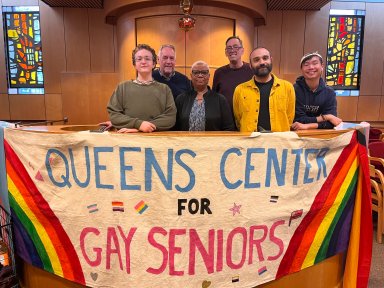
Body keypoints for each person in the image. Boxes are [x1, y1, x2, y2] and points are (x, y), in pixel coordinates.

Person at [107, 44, 176, 133]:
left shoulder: (165, 89)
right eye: (139, 59)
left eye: (147, 58)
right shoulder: (122, 88)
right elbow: (114, 115)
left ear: (154, 63)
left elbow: (170, 117)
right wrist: (139, 124)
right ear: (134, 64)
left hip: (157, 141)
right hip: (128, 141)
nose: (143, 62)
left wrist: (142, 127)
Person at [233, 47, 295, 132]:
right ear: (250, 65)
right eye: (256, 60)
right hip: (250, 142)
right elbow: (238, 119)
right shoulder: (240, 90)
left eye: (265, 58)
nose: (262, 62)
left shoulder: (287, 87)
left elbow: (289, 118)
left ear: (271, 60)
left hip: (279, 141)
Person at [175, 60, 235, 131]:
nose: (200, 75)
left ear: (209, 76)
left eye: (204, 72)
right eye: (196, 72)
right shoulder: (181, 99)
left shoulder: (220, 100)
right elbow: (175, 128)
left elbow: (229, 128)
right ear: (191, 76)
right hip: (186, 141)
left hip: (213, 141)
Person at [291, 52, 342, 130]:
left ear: (322, 66)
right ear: (301, 69)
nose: (311, 67)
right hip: (297, 134)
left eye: (315, 63)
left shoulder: (329, 93)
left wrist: (307, 126)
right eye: (306, 65)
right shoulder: (293, 90)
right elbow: (298, 120)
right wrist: (327, 117)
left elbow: (333, 123)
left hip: (321, 135)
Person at [212, 36, 253, 116]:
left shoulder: (252, 70)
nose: (232, 50)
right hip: (225, 119)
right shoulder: (219, 72)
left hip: (247, 118)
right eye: (229, 48)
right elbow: (214, 97)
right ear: (226, 52)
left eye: (236, 47)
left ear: (242, 50)